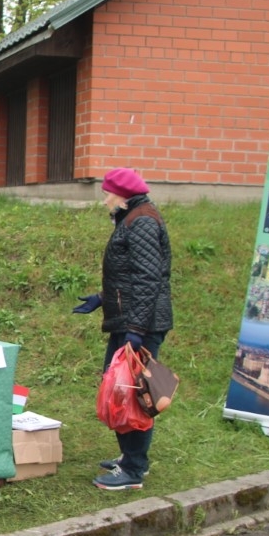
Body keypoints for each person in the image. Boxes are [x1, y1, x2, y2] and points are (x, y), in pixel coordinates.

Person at [73, 167, 172, 491]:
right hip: (130, 318)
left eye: (107, 193)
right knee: (120, 389)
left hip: (139, 324)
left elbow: (148, 279)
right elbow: (129, 276)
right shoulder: (132, 217)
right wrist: (102, 298)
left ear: (121, 194)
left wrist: (135, 328)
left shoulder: (141, 220)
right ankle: (130, 458)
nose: (104, 198)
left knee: (135, 394)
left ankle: (133, 469)